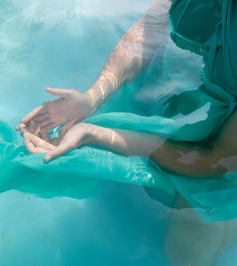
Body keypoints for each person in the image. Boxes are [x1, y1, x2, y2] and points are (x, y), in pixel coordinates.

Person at [16, 0, 237, 265]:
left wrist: (98, 135)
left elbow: (216, 161)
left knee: (190, 244)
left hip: (219, 156)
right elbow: (150, 26)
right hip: (195, 104)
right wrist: (92, 98)